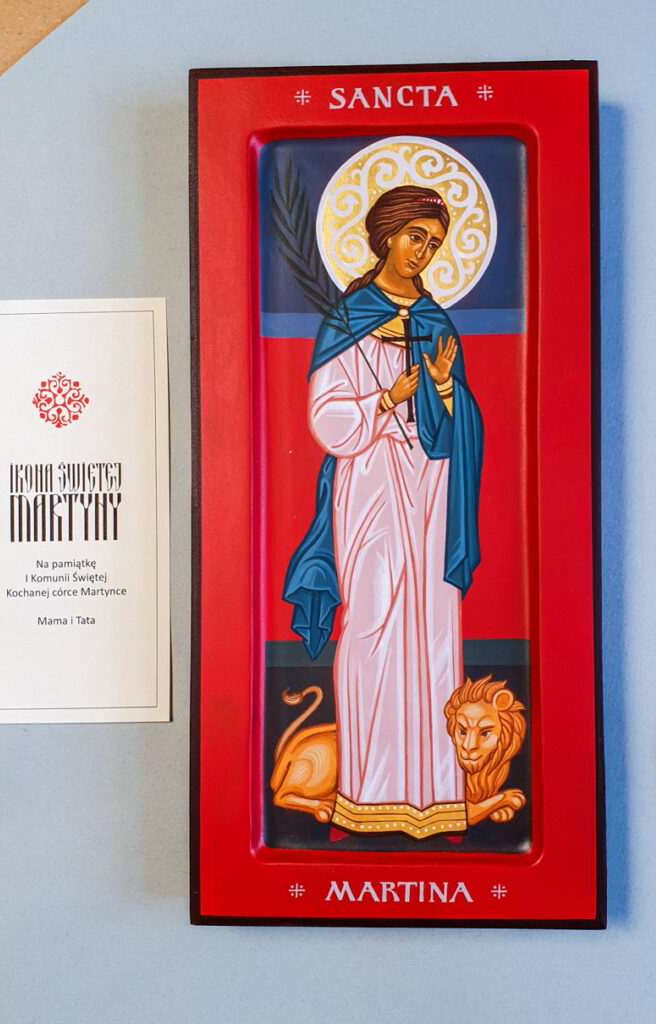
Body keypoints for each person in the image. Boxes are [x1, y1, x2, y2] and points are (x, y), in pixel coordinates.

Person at [283, 185, 483, 839]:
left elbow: (460, 424)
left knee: (431, 625)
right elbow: (325, 418)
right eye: (415, 236)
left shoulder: (436, 322)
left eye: (434, 242)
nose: (423, 251)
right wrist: (386, 398)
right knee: (373, 618)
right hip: (370, 484)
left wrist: (444, 390)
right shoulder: (348, 319)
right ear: (386, 236)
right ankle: (368, 792)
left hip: (431, 486)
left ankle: (434, 796)